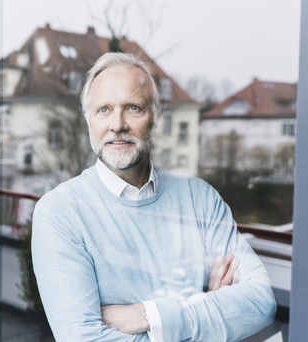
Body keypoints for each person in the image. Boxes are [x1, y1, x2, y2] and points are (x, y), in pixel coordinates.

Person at [32, 52, 276, 341]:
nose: (118, 124)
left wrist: (147, 316)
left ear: (157, 119)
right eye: (103, 110)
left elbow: (261, 303)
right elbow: (82, 338)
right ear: (88, 120)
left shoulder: (200, 198)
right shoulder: (59, 212)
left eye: (133, 108)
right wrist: (207, 314)